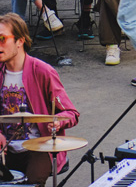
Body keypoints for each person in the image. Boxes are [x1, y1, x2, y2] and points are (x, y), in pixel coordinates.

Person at [0, 13, 79, 184]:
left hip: (39, 148)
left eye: (2, 39)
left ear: (20, 41)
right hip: (5, 148)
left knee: (32, 183)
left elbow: (71, 113)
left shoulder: (43, 71)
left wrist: (58, 122)